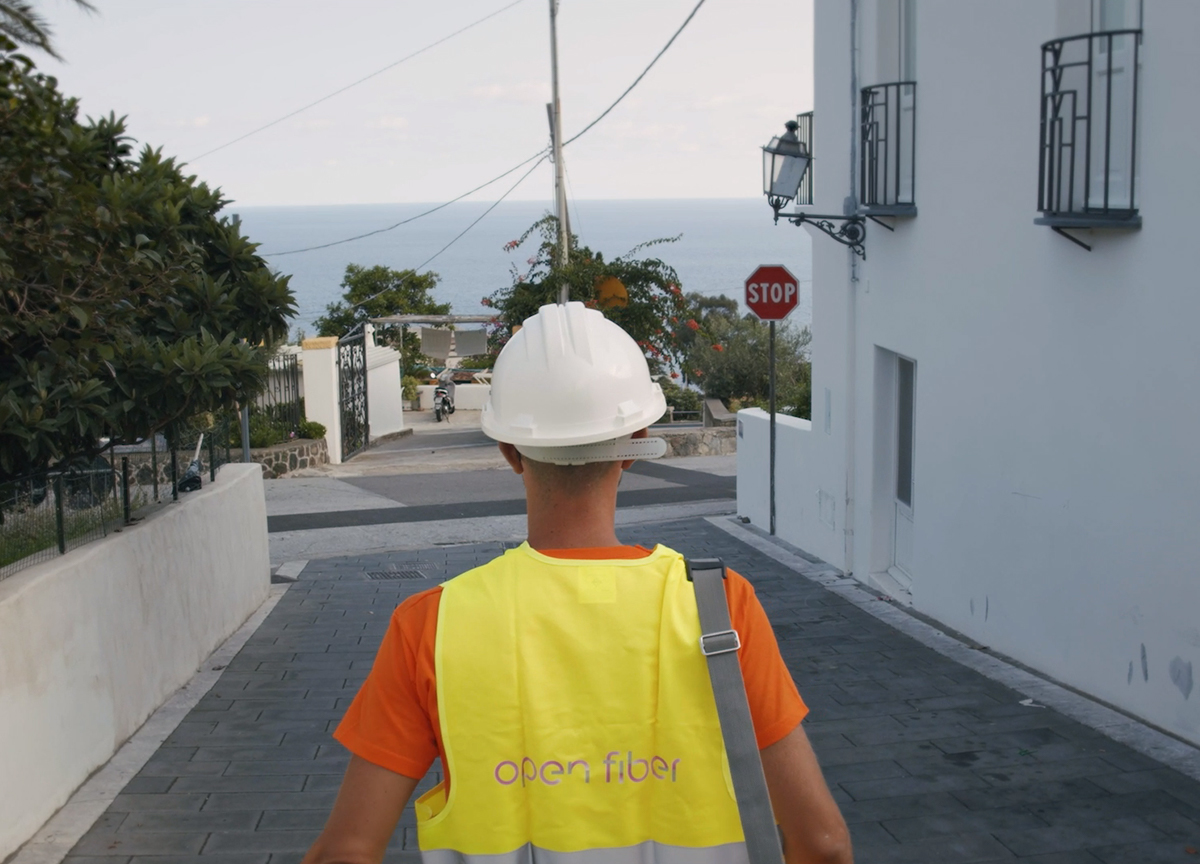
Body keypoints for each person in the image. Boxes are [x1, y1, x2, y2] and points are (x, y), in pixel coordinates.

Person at [302, 303, 852, 864]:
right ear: (635, 442)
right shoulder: (719, 605)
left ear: (510, 451)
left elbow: (347, 851)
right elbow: (824, 844)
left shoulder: (433, 624)